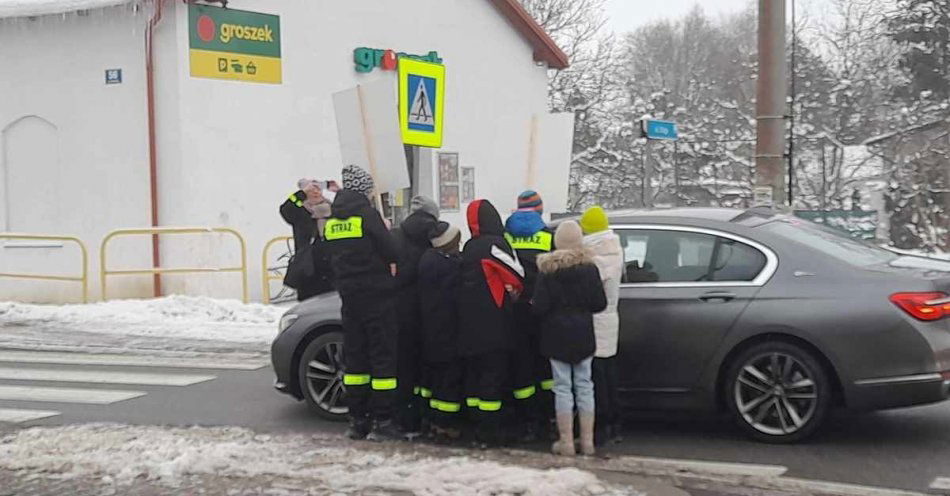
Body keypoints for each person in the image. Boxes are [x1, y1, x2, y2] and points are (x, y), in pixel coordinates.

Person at [323, 165, 401, 441]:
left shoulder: (333, 221)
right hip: (376, 295)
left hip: (349, 297)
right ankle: (384, 421)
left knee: (355, 359)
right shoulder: (368, 215)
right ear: (363, 190)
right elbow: (391, 250)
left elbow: (325, 257)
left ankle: (358, 420)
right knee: (382, 358)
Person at [533, 220, 607, 456]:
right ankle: (587, 441)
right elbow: (599, 304)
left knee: (562, 388)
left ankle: (565, 442)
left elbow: (539, 307)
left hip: (555, 336)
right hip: (583, 334)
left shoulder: (547, 270)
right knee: (585, 386)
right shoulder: (590, 269)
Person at [459, 199, 525, 446]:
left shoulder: (469, 247)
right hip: (494, 323)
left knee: (475, 377)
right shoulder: (494, 245)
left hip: (468, 323)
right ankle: (490, 432)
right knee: (492, 376)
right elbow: (517, 274)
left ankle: (477, 426)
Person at [503, 190, 555, 440]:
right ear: (539, 209)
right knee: (544, 364)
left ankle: (528, 421)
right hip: (541, 309)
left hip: (514, 308)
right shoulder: (547, 236)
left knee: (521, 365)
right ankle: (549, 417)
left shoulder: (506, 236)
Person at [391, 196, 440, 434]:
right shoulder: (435, 235)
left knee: (403, 366)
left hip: (400, 309)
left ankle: (404, 417)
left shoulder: (395, 235)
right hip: (428, 310)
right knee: (427, 366)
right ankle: (426, 416)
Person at [579, 206, 624, 446]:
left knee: (596, 377)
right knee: (609, 372)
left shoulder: (595, 258)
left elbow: (591, 294)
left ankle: (603, 425)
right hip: (610, 319)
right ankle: (615, 424)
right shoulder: (614, 249)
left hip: (595, 320)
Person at [418, 221, 464, 440]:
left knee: (433, 378)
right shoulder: (449, 266)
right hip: (447, 330)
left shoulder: (427, 260)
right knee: (448, 379)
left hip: (430, 329)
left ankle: (431, 418)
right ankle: (444, 424)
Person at [279, 179, 335, 301]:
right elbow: (286, 209)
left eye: (317, 189)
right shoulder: (301, 212)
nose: (315, 192)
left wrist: (339, 191)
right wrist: (302, 193)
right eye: (311, 190)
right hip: (308, 271)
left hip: (333, 269)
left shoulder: (333, 209)